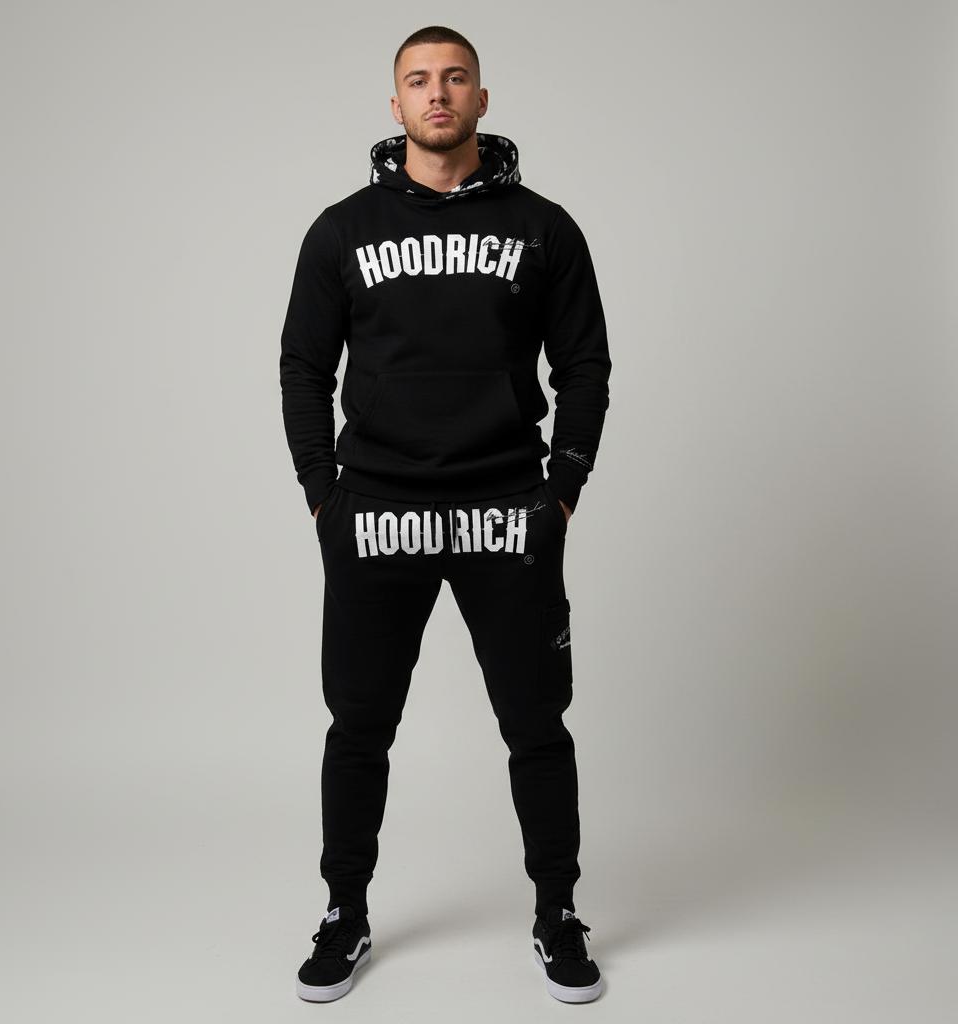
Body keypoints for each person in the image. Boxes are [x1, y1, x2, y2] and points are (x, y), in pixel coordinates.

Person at [280, 25, 611, 1004]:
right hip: (376, 511)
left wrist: (562, 488)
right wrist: (322, 496)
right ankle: (344, 909)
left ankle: (558, 911)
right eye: (419, 80)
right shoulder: (341, 232)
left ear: (480, 98)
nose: (437, 93)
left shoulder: (544, 229)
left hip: (506, 508)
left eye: (454, 78)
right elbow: (303, 367)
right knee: (358, 724)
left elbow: (584, 364)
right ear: (395, 105)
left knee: (537, 722)